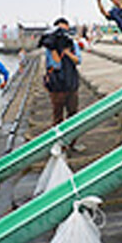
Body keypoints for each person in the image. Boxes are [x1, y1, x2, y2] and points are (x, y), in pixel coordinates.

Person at [43, 18, 84, 152]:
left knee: (73, 114)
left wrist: (67, 52)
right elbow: (55, 64)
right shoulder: (50, 46)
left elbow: (78, 60)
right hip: (56, 85)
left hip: (71, 83)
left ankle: (72, 143)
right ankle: (59, 144)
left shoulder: (72, 44)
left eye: (64, 30)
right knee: (58, 115)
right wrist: (55, 49)